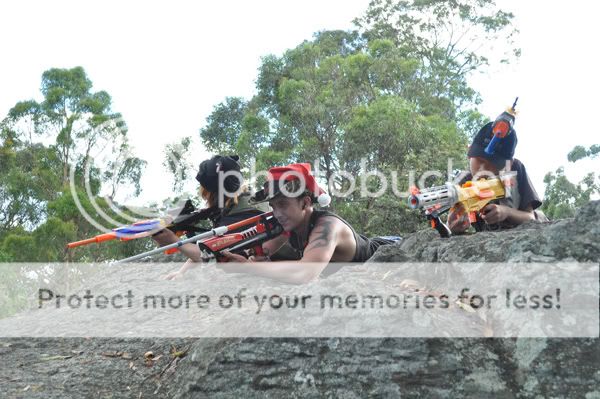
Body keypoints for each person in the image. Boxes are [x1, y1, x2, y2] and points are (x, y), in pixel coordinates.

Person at [220, 163, 400, 284]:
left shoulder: (328, 226)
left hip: (392, 251)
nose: (277, 213)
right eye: (273, 206)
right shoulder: (288, 225)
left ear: (305, 203)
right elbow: (260, 252)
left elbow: (305, 272)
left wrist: (251, 268)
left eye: (283, 204)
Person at [153, 155, 269, 280]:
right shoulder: (242, 203)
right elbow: (209, 243)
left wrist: (173, 241)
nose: (202, 194)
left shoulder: (242, 215)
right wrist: (182, 272)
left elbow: (211, 255)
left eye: (205, 189)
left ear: (214, 192)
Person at [447, 122, 546, 234]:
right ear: (469, 152)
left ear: (509, 164)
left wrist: (506, 212)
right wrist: (454, 227)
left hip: (536, 231)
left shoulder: (515, 170)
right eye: (479, 160)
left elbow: (530, 217)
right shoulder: (463, 181)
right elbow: (453, 222)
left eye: (494, 164)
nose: (483, 169)